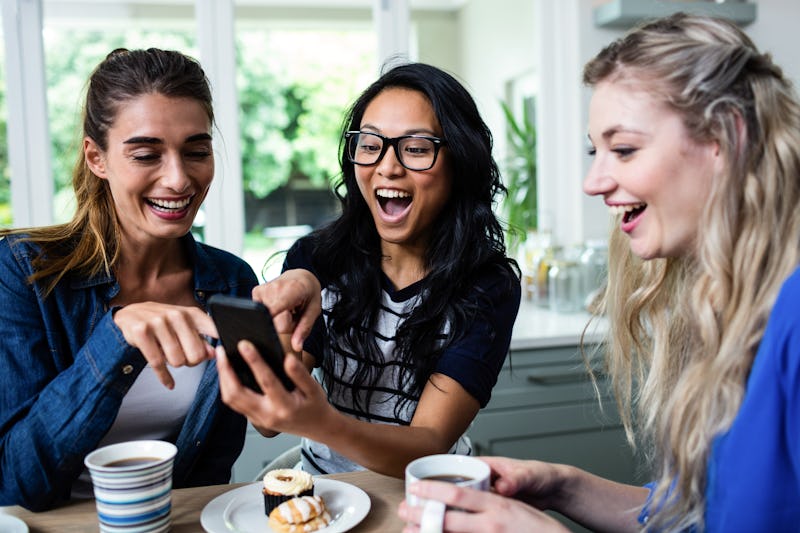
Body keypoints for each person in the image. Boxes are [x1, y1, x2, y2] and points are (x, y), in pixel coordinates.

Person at [398, 12, 800, 532]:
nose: (594, 181)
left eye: (625, 149)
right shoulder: (731, 306)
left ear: (726, 137)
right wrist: (563, 487)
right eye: (596, 151)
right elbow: (699, 516)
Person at [0, 48, 318, 511]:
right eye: (147, 153)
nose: (178, 179)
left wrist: (303, 313)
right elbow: (14, 482)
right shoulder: (21, 272)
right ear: (97, 157)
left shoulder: (231, 280)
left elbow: (271, 419)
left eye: (196, 151)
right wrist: (116, 340)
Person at [217, 62, 521, 478]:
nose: (387, 166)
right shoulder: (317, 260)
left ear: (459, 163)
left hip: (431, 487)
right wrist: (275, 331)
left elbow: (430, 442)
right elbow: (268, 423)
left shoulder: (488, 285)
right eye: (370, 143)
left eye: (415, 148)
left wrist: (322, 423)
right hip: (326, 484)